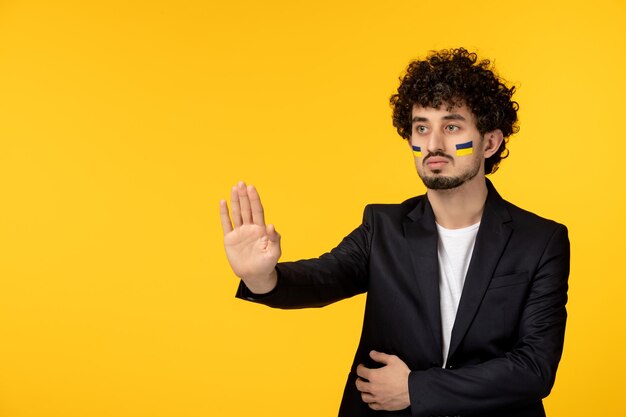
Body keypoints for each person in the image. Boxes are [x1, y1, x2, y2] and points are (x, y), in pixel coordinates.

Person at [219, 48, 569, 417]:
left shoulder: (540, 241)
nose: (433, 144)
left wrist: (415, 389)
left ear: (490, 142)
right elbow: (322, 278)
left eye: (451, 127)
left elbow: (533, 369)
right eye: (421, 128)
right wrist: (262, 277)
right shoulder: (382, 227)